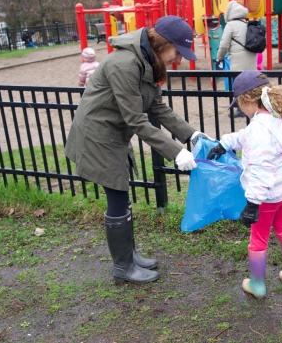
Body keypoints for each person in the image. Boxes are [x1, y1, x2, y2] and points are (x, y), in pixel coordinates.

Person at [65, 15, 209, 285]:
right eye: (177, 51)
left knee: (122, 196)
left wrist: (192, 134)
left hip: (113, 134)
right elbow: (136, 120)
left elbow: (156, 108)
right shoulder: (125, 64)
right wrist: (176, 152)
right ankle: (123, 267)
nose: (177, 58)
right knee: (118, 198)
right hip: (98, 136)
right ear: (163, 44)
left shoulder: (145, 61)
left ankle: (129, 256)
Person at [206, 70, 282, 298]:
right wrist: (225, 144)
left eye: (239, 105)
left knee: (259, 237)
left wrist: (252, 204)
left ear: (247, 101)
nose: (240, 110)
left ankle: (257, 284)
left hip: (266, 197)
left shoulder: (259, 130)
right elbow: (245, 136)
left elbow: (261, 170)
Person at [216, 0, 258, 118]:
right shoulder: (247, 24)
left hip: (237, 60)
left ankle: (241, 109)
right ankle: (253, 107)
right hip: (251, 58)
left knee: (238, 83)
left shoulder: (231, 25)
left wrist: (219, 58)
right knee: (250, 83)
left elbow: (224, 44)